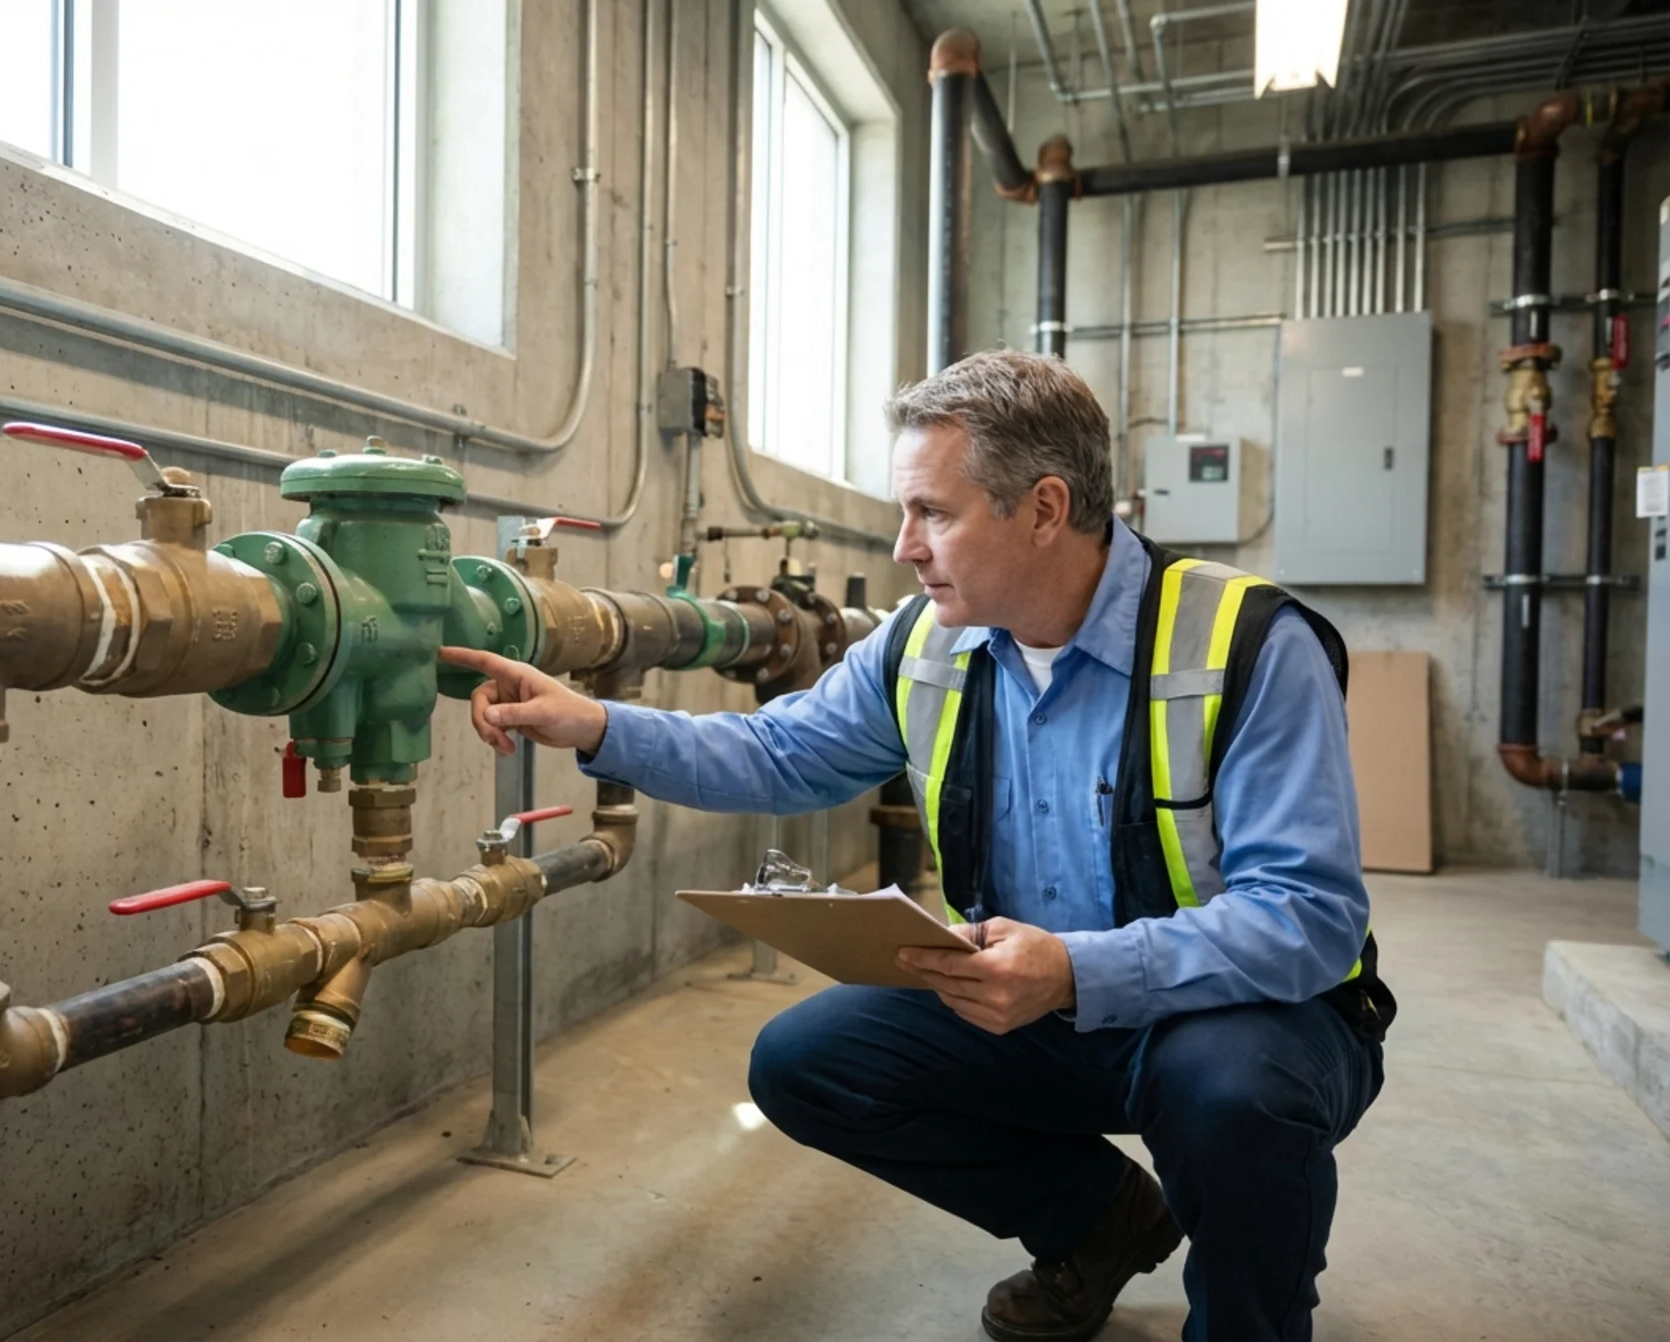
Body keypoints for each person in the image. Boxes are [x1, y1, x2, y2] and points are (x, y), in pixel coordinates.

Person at [439, 350, 1392, 1342]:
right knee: (805, 1061)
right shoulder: (925, 642)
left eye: (931, 512)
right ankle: (1099, 1223)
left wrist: (1074, 968)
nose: (904, 546)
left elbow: (1307, 915)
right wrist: (592, 723)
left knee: (1230, 1096)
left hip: (1235, 1008)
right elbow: (781, 752)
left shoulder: (1245, 644)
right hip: (1033, 992)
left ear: (1043, 507)